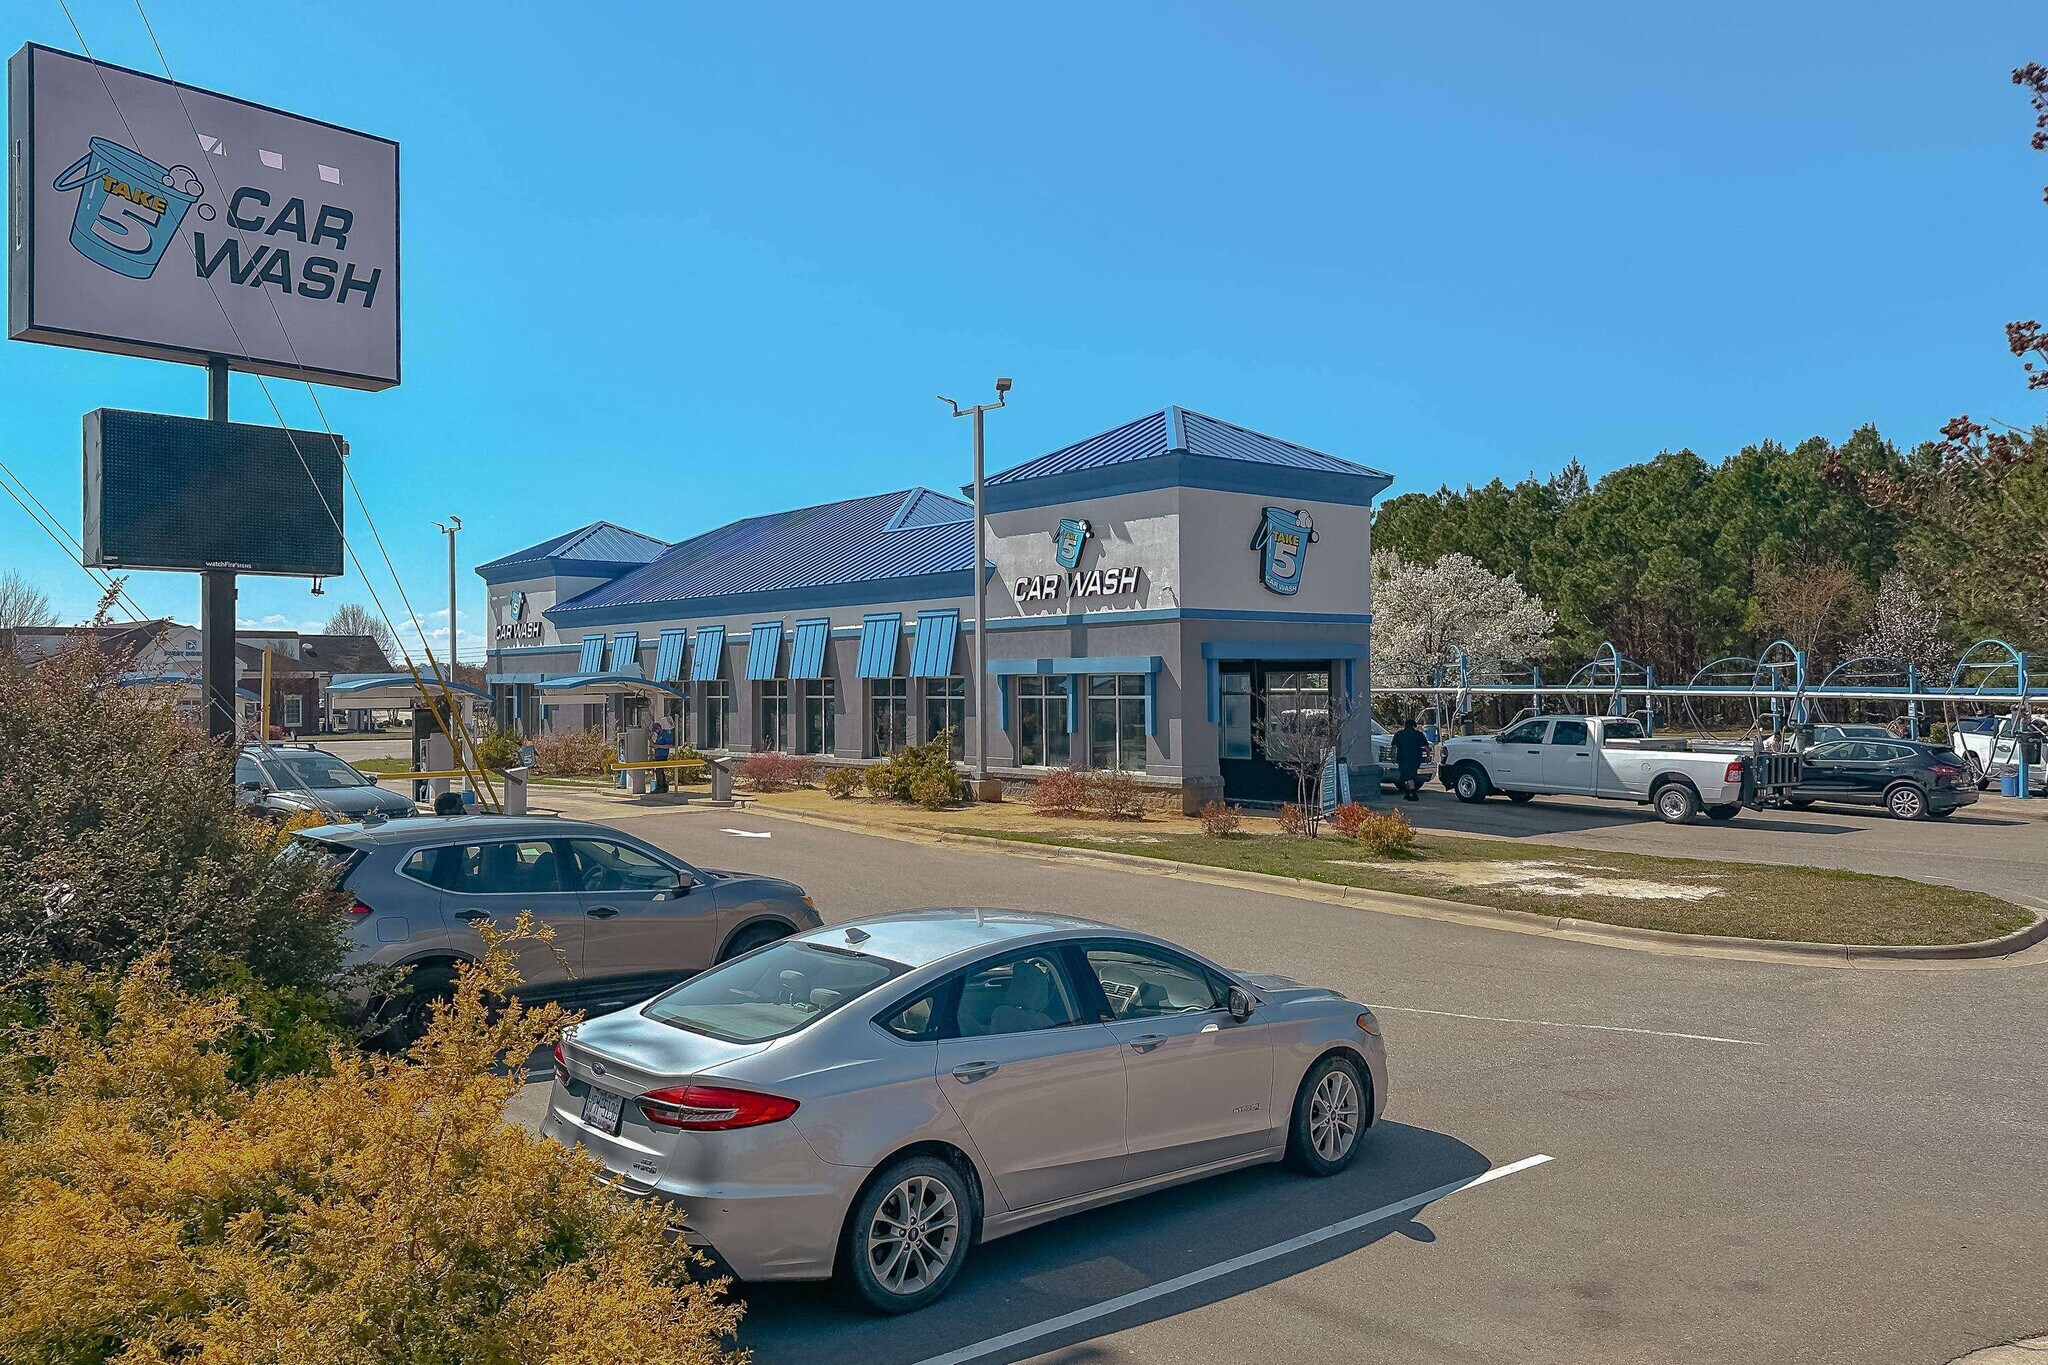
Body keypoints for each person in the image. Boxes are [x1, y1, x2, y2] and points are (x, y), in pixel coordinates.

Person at [1391, 715, 1429, 802]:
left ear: (1405, 725)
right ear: (1414, 725)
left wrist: (1392, 756)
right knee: (1411, 775)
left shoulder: (1399, 734)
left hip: (1403, 758)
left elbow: (1394, 746)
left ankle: (1413, 793)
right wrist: (1427, 756)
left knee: (1407, 776)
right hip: (1416, 759)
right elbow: (1426, 747)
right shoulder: (1419, 734)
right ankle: (1408, 794)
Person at [651, 712, 675, 794]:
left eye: (656, 730)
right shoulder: (658, 736)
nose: (655, 732)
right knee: (659, 772)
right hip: (658, 755)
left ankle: (660, 787)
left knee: (659, 771)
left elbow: (669, 745)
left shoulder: (665, 734)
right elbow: (655, 744)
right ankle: (663, 786)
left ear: (659, 728)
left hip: (663, 755)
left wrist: (659, 747)